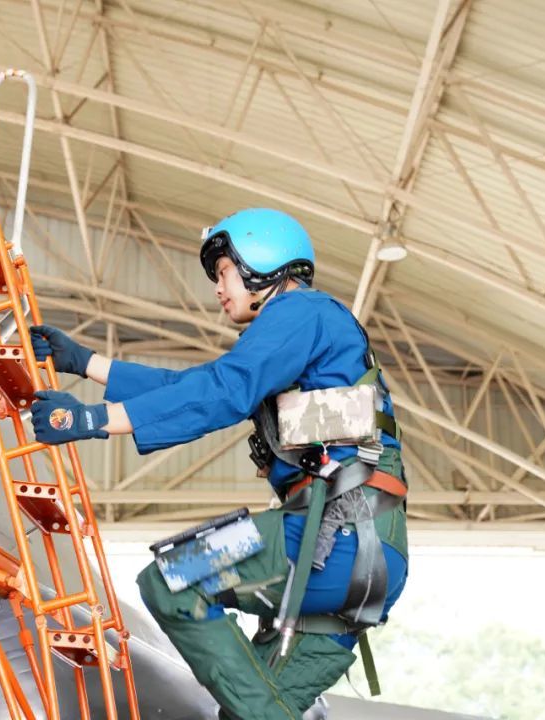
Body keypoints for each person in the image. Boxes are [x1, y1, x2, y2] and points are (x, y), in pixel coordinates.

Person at [29, 208, 408, 720]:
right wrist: (87, 363)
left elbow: (222, 391)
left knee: (170, 580)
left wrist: (94, 419)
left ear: (261, 261)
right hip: (356, 560)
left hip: (336, 538)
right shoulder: (303, 337)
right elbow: (190, 389)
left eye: (224, 270)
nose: (217, 287)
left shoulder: (302, 313)